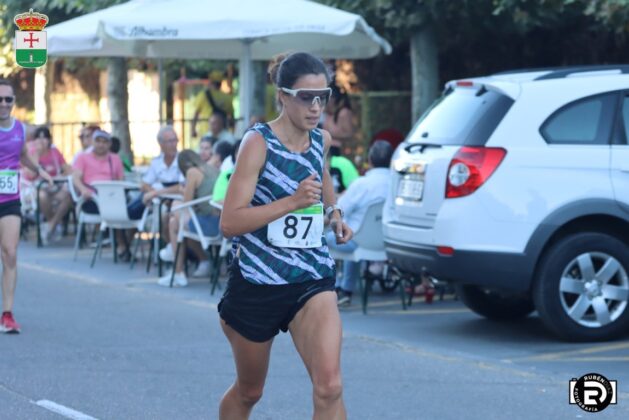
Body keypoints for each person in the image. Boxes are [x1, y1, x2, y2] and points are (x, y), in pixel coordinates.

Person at [218, 52, 353, 420]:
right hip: (259, 281)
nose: (316, 107)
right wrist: (292, 202)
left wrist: (334, 213)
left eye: (322, 97)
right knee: (250, 391)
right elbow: (229, 222)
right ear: (282, 95)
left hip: (311, 275)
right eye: (305, 97)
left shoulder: (321, 139)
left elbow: (321, 175)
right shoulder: (258, 143)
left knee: (330, 387)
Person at [0, 79, 53, 333]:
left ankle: (7, 314)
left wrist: (40, 170)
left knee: (10, 253)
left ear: (13, 102)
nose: (3, 103)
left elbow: (22, 156)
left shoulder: (20, 129)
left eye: (8, 99)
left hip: (9, 199)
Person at [326, 140, 393, 306]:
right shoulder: (397, 184)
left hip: (358, 242)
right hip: (389, 243)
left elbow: (338, 210)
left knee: (324, 238)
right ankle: (346, 288)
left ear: (369, 160)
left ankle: (334, 287)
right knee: (353, 232)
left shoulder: (361, 185)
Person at [158, 150, 220, 287]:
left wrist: (183, 190)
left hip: (209, 226)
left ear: (183, 165)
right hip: (219, 223)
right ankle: (178, 272)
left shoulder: (192, 172)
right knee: (174, 223)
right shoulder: (213, 169)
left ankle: (173, 257)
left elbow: (186, 202)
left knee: (176, 205)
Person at [72, 129, 129, 258]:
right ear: (92, 142)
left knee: (132, 209)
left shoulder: (115, 159)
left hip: (112, 197)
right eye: (98, 141)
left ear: (109, 144)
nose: (101, 145)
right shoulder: (82, 157)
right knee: (118, 210)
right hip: (91, 199)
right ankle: (121, 244)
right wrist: (83, 190)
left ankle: (123, 244)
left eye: (104, 142)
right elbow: (75, 178)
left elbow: (121, 180)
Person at [127, 126, 184, 221]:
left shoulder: (183, 160)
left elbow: (182, 187)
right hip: (157, 199)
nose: (173, 144)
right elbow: (145, 184)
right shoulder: (157, 162)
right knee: (130, 212)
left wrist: (155, 193)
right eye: (169, 141)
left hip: (176, 201)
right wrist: (154, 194)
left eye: (175, 140)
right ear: (161, 144)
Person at [30, 126, 73, 244]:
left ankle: (51, 225)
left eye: (45, 137)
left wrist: (60, 176)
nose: (41, 141)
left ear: (49, 140)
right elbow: (30, 173)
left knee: (68, 196)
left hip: (55, 185)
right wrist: (37, 154)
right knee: (42, 196)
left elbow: (67, 169)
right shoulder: (32, 153)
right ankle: (53, 223)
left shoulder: (55, 152)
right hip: (39, 187)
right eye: (38, 138)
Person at [190, 70, 234, 138]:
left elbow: (195, 114)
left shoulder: (203, 95)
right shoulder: (227, 97)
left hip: (206, 131)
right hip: (222, 132)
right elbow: (231, 118)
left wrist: (193, 130)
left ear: (210, 82)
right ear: (221, 83)